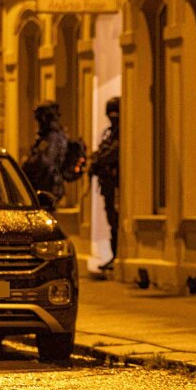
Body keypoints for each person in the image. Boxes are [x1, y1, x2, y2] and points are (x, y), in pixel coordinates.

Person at [88, 96, 120, 271]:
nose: (112, 118)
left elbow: (113, 153)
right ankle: (114, 255)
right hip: (108, 185)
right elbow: (102, 151)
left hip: (116, 185)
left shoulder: (121, 133)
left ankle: (117, 255)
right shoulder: (109, 133)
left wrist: (98, 161)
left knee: (116, 219)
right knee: (111, 220)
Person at [24, 101, 70, 203]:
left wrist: (29, 162)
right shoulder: (50, 136)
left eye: (39, 119)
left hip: (48, 185)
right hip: (47, 184)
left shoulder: (53, 137)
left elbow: (45, 161)